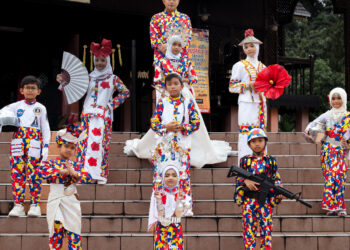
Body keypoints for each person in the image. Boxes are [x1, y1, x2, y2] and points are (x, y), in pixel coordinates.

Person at [124, 36, 233, 168]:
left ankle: (188, 149)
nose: (176, 47)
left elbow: (194, 78)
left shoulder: (186, 62)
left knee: (189, 119)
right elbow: (157, 80)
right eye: (174, 44)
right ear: (169, 46)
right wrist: (169, 86)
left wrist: (181, 82)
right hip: (166, 94)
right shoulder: (161, 62)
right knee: (165, 120)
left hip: (185, 94)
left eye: (179, 45)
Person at [57, 38, 130, 184]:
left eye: (103, 60)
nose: (99, 63)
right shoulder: (88, 78)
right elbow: (74, 87)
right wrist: (63, 80)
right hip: (88, 115)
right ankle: (85, 174)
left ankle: (100, 175)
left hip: (104, 116)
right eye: (97, 60)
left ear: (108, 61)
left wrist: (111, 104)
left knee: (101, 144)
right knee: (85, 144)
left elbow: (125, 93)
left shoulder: (113, 79)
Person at [150, 73, 199, 215]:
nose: (173, 87)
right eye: (169, 84)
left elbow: (196, 123)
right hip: (164, 146)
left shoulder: (188, 102)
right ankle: (159, 205)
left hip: (182, 145)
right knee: (161, 173)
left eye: (176, 84)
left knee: (183, 175)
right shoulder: (162, 103)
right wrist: (166, 127)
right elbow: (154, 123)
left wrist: (184, 127)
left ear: (182, 86)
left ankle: (185, 207)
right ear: (165, 88)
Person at [1, 75, 50, 217]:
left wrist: (46, 147)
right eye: (27, 88)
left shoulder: (41, 108)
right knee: (17, 174)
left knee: (34, 174)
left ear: (38, 91)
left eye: (33, 88)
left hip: (35, 143)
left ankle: (35, 205)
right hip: (17, 142)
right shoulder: (14, 106)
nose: (30, 90)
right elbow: (2, 114)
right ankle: (18, 205)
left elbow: (45, 128)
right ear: (21, 90)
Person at [40, 127, 92, 249]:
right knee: (55, 236)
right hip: (56, 200)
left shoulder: (76, 165)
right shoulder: (51, 163)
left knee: (74, 237)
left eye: (72, 148)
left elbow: (88, 177)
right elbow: (42, 172)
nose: (69, 150)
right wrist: (59, 171)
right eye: (66, 146)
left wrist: (75, 174)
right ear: (59, 146)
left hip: (72, 202)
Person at [234, 128, 282, 249]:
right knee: (249, 230)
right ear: (249, 144)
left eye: (260, 140)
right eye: (253, 141)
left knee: (266, 229)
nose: (257, 144)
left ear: (265, 142)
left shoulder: (271, 161)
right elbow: (239, 177)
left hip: (265, 201)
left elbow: (276, 178)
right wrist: (245, 181)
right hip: (249, 201)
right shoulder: (245, 161)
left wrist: (279, 191)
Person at [304, 87, 349, 216]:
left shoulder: (347, 117)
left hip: (341, 151)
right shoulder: (327, 115)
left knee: (339, 178)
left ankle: (340, 207)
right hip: (328, 151)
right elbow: (311, 125)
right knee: (330, 177)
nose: (336, 101)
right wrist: (313, 135)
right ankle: (332, 207)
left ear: (344, 99)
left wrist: (348, 144)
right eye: (333, 98)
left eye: (339, 98)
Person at [229, 29, 267, 164]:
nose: (249, 49)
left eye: (252, 46)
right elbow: (232, 87)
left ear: (257, 47)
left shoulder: (264, 67)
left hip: (261, 103)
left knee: (261, 133)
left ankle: (261, 164)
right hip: (246, 103)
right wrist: (247, 85)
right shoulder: (239, 66)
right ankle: (244, 165)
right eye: (246, 47)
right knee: (246, 133)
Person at [148, 140, 191, 249]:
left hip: (175, 227)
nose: (170, 178)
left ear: (178, 178)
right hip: (161, 228)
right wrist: (158, 200)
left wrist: (179, 201)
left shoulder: (182, 194)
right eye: (167, 175)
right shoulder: (157, 193)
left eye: (173, 175)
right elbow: (156, 212)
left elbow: (178, 214)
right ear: (162, 178)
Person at [150, 0, 192, 66]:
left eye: (174, 0)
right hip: (161, 58)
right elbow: (154, 38)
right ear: (163, 1)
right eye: (169, 0)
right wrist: (161, 46)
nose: (172, 2)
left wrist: (172, 47)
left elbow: (187, 38)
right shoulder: (156, 18)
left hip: (180, 60)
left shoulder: (185, 18)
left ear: (178, 1)